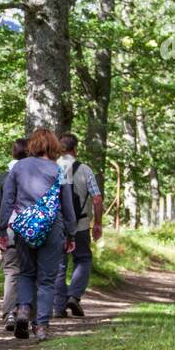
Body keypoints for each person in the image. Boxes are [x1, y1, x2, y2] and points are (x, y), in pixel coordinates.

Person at [0, 128, 76, 342]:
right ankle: (40, 326)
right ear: (53, 146)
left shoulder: (19, 167)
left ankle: (22, 309)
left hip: (24, 227)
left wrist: (2, 229)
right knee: (47, 279)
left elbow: (8, 200)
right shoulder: (59, 170)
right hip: (52, 228)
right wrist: (71, 234)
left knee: (26, 273)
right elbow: (67, 205)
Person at [54, 133, 104, 318]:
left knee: (59, 265)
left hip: (57, 224)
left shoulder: (52, 167)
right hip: (81, 224)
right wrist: (97, 223)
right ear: (75, 149)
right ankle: (74, 296)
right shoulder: (85, 170)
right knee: (83, 259)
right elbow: (97, 199)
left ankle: (58, 307)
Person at [0, 137, 29, 331]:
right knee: (30, 272)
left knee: (11, 272)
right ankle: (27, 312)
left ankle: (10, 313)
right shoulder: (34, 176)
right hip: (32, 230)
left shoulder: (4, 178)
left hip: (10, 230)